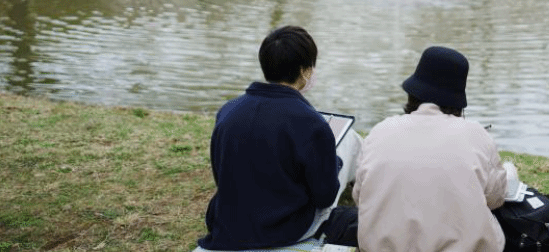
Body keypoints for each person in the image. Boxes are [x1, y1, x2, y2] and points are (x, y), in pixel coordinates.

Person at [195, 26, 359, 251]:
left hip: (229, 226)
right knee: (349, 146)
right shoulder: (311, 124)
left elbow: (221, 175)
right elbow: (325, 196)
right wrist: (333, 162)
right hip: (285, 230)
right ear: (305, 71)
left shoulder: (228, 111)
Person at [353, 46, 517, 252]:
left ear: (412, 92)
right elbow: (495, 198)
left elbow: (360, 196)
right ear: (458, 100)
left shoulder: (380, 131)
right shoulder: (476, 135)